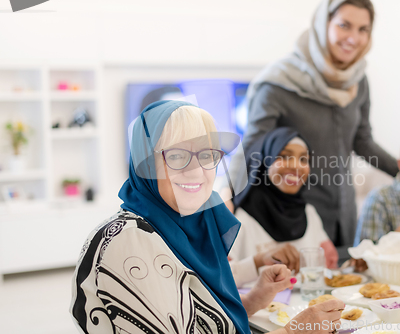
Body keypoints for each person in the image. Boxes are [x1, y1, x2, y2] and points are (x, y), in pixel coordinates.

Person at [70, 100, 344, 334]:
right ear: (145, 163)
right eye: (176, 155)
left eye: (206, 155)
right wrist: (294, 329)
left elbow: (198, 322)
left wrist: (252, 300)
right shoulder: (128, 240)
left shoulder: (194, 220)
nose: (196, 170)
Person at [225, 0, 400, 263]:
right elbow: (251, 147)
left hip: (344, 213)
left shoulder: (358, 81)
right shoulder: (279, 83)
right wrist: (226, 200)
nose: (353, 38)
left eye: (363, 29)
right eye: (344, 25)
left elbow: (362, 141)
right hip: (298, 219)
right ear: (323, 25)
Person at [230, 127, 339, 277]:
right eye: (284, 156)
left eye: (303, 159)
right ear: (264, 163)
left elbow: (329, 270)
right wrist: (259, 260)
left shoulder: (308, 213)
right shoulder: (239, 219)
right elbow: (217, 278)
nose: (295, 166)